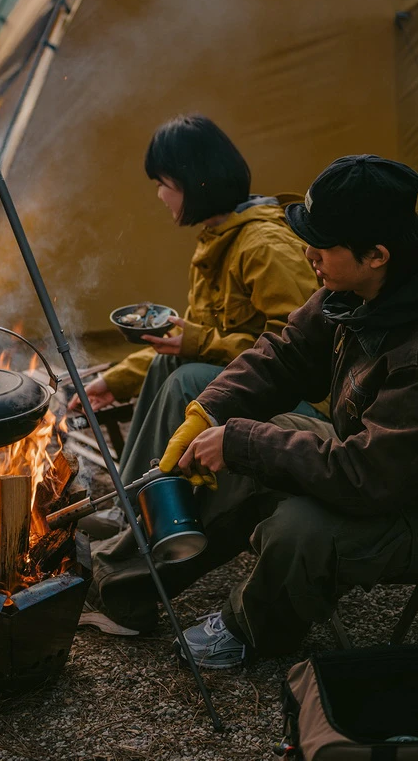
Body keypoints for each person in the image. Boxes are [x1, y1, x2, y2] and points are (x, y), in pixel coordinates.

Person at [84, 154, 418, 662]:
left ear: (376, 255)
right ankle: (119, 586)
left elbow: (370, 479)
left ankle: (251, 629)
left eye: (322, 246)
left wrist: (243, 443)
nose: (307, 255)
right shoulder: (361, 291)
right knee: (233, 449)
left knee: (300, 527)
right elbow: (284, 354)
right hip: (379, 461)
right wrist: (207, 415)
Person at [68, 114, 324, 538]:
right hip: (257, 387)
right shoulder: (218, 238)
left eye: (164, 184)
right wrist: (118, 381)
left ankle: (145, 526)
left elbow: (299, 348)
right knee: (170, 367)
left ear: (195, 182)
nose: (160, 195)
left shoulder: (264, 246)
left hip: (307, 408)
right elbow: (190, 337)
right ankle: (128, 508)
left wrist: (200, 342)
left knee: (188, 379)